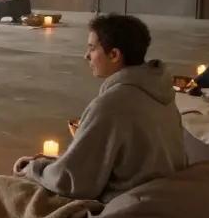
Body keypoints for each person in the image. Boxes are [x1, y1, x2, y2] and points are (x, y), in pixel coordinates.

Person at [15, 14, 186, 202]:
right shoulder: (160, 90)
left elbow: (73, 182)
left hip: (129, 204)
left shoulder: (112, 105)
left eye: (92, 48)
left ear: (114, 55)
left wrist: (34, 168)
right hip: (164, 195)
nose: (86, 56)